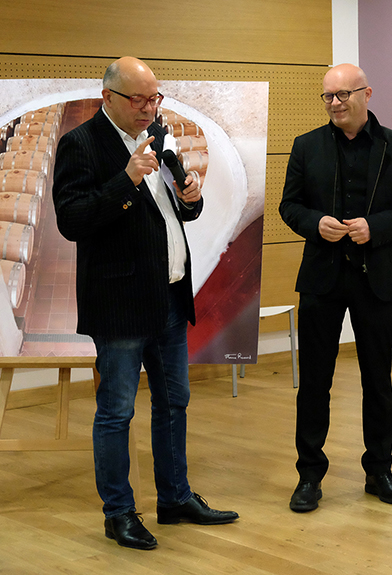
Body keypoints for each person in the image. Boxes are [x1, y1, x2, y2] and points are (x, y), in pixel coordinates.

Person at [52, 57, 238, 551]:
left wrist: (190, 195)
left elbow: (175, 212)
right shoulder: (80, 144)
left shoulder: (158, 132)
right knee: (116, 412)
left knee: (174, 402)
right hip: (120, 304)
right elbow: (72, 220)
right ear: (107, 96)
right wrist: (127, 178)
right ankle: (119, 513)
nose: (148, 107)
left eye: (154, 97)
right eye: (138, 99)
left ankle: (175, 498)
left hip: (170, 296)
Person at [279, 64, 392, 513]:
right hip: (323, 278)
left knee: (377, 381)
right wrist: (315, 223)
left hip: (376, 278)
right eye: (327, 97)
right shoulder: (306, 146)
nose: (335, 103)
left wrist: (377, 228)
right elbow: (290, 205)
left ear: (367, 93)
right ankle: (309, 476)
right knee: (314, 382)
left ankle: (379, 470)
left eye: (343, 94)